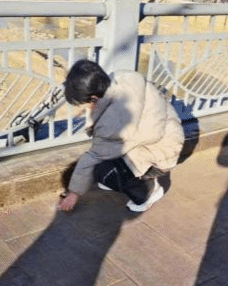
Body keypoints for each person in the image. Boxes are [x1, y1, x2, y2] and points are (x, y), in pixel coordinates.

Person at [57, 59, 185, 212]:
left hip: (161, 154)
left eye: (83, 102)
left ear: (93, 97)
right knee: (109, 162)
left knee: (103, 171)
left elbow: (94, 156)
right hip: (171, 136)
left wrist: (74, 192)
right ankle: (124, 174)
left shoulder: (113, 121)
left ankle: (148, 191)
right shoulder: (124, 76)